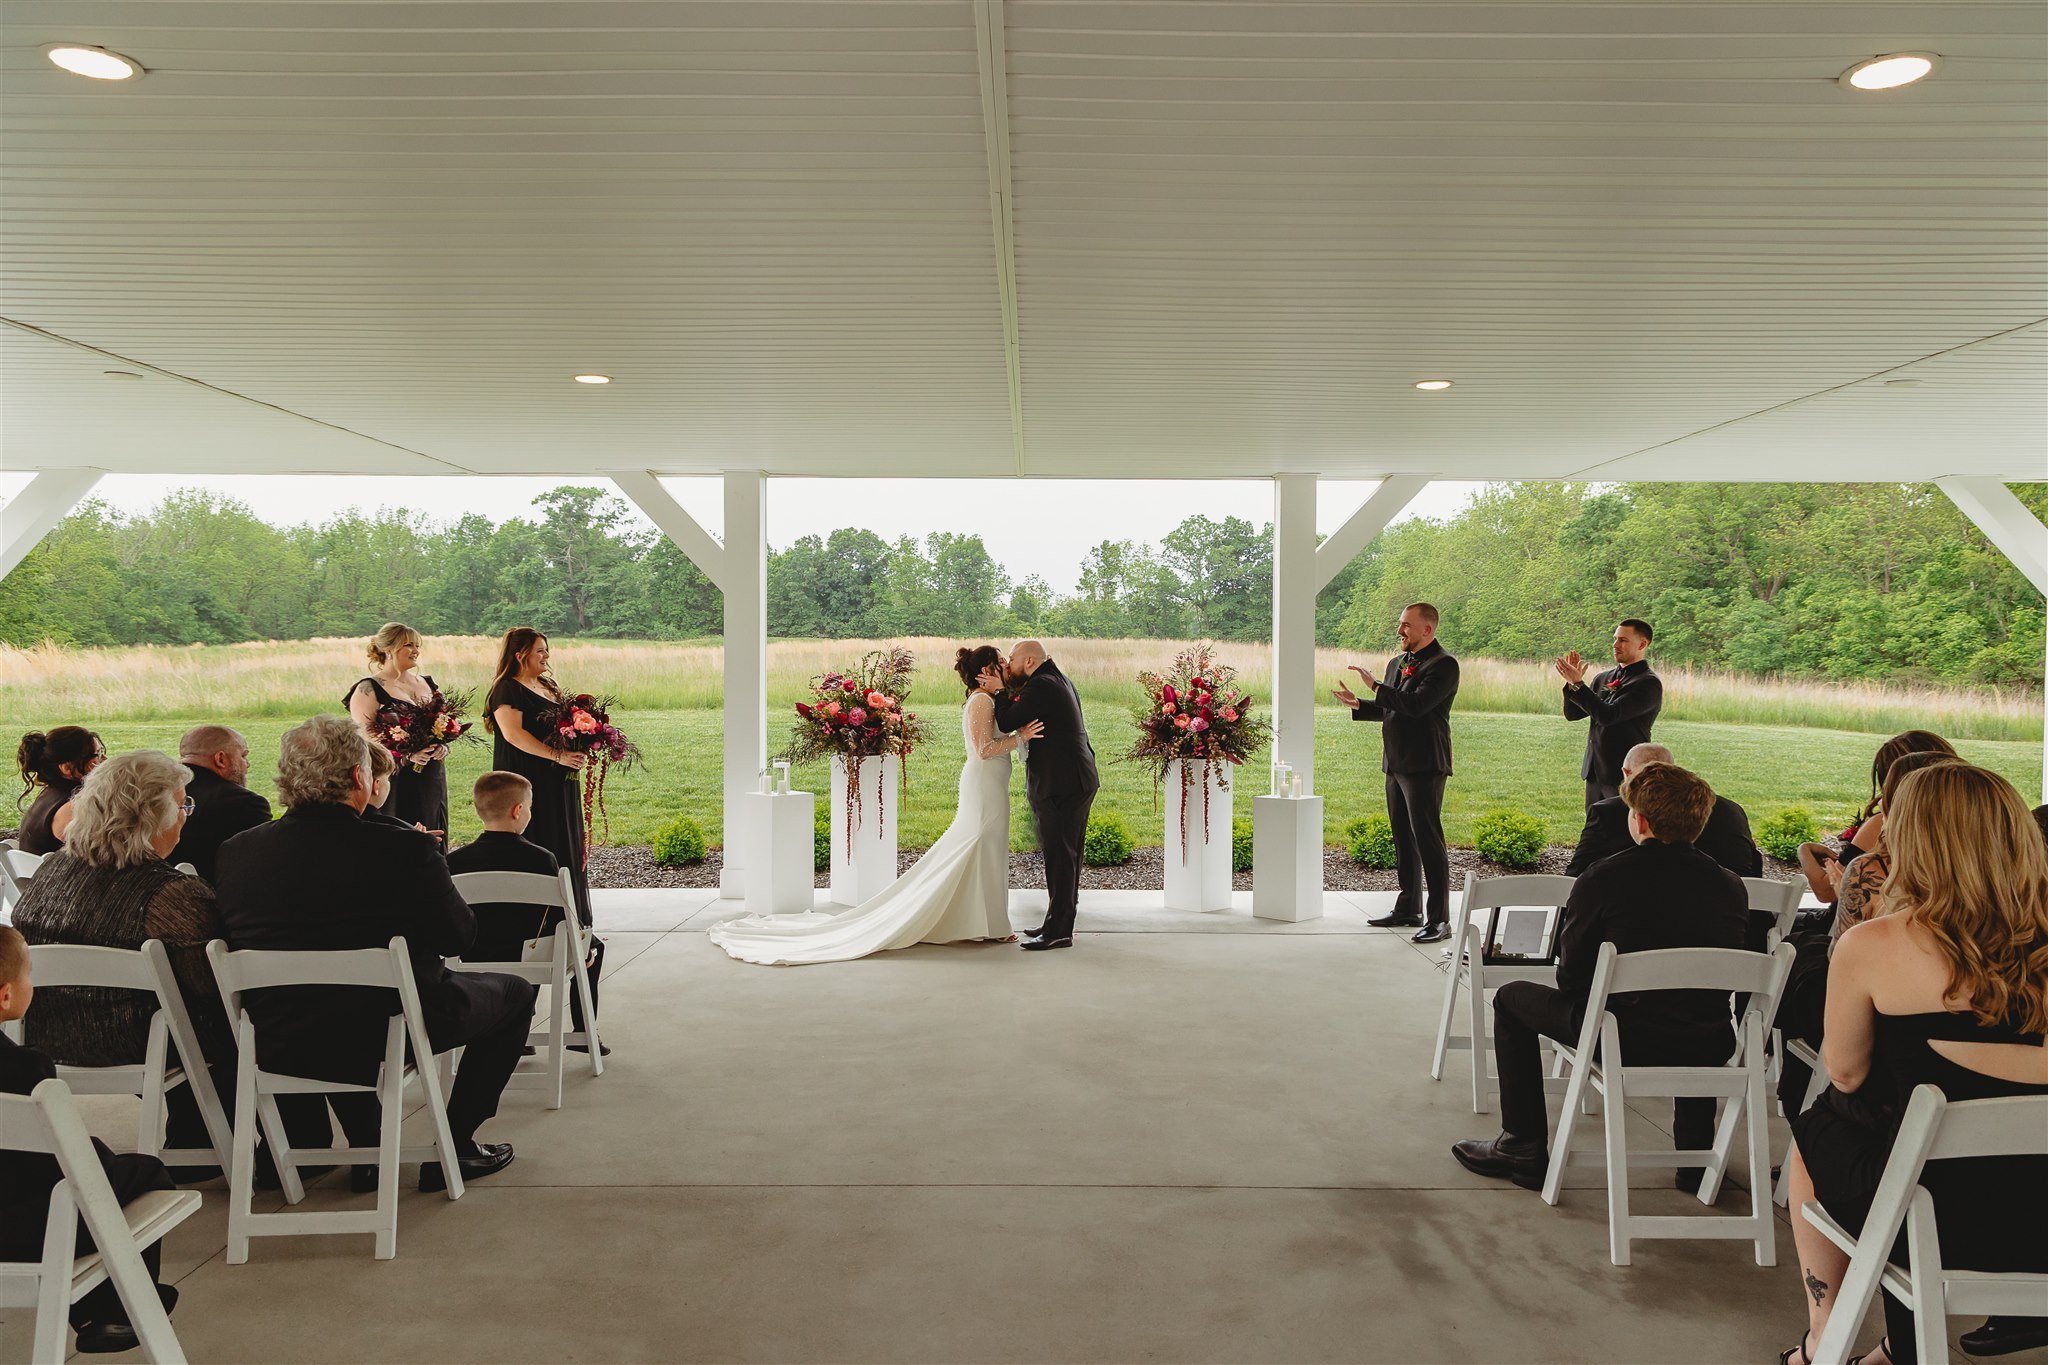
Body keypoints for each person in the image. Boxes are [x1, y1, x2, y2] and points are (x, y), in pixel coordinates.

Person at [1779, 763, 2048, 1365]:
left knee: (1822, 1126)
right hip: (2039, 1222)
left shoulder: (1876, 945)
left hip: (1935, 1219)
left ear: (1914, 843)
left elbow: (1845, 1072)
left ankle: (1824, 1336)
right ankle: (1896, 1346)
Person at [214, 715, 536, 1190]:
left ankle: (361, 1146)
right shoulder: (403, 847)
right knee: (515, 994)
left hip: (279, 1030)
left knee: (341, 1001)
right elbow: (458, 938)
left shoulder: (237, 851)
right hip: (391, 1025)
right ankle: (455, 1144)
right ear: (358, 776)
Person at [1451, 763, 1750, 1193]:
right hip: (1708, 1040)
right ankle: (1695, 1163)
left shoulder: (1604, 877)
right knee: (1690, 1004)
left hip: (1624, 1039)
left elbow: (1572, 980)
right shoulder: (1730, 886)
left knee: (1511, 998)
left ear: (1639, 821)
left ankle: (1521, 1144)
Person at [711, 646, 1042, 965]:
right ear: (986, 670)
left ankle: (984, 921)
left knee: (985, 848)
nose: (1007, 665)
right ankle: (990, 924)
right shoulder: (982, 700)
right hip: (984, 785)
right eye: (1001, 661)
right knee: (982, 845)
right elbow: (984, 750)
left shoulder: (989, 698)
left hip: (990, 784)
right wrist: (1021, 737)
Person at [11, 750, 231, 1170]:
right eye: (182, 805)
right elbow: (212, 988)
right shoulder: (172, 894)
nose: (186, 816)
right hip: (138, 1044)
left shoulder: (49, 872)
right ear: (154, 818)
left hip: (45, 1036)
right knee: (237, 1016)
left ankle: (195, 1133)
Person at [0, 925, 184, 1356]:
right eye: (29, 973)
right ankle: (118, 1311)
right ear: (6, 996)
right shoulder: (25, 1070)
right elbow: (54, 1172)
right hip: (20, 1234)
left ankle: (99, 1311)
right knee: (142, 1173)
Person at [1776, 750, 1965, 1115]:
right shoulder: (2023, 932)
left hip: (1902, 1106)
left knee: (1802, 957)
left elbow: (1846, 1074)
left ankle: (1794, 1093)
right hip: (2014, 1123)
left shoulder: (1874, 887)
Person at [447, 770, 605, 1045]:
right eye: (529, 806)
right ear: (518, 810)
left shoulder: (455, 862)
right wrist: (585, 945)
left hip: (471, 955)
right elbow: (560, 917)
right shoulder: (540, 859)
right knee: (593, 947)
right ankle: (582, 1032)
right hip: (527, 956)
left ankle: (513, 1026)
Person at [1333, 602, 1460, 944]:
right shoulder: (1396, 664)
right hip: (1395, 762)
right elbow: (1393, 708)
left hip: (1425, 764)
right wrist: (1361, 704)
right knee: (1403, 837)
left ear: (1427, 629)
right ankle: (1409, 908)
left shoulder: (1444, 664)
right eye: (1400, 623)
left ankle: (1440, 920)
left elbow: (1417, 706)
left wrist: (1376, 686)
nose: (1400, 630)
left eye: (1406, 625)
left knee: (1428, 840)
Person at [990, 639, 1097, 951]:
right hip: (1073, 780)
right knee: (1066, 856)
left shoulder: (1042, 685)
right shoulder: (1057, 679)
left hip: (1061, 783)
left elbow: (1007, 721)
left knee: (1061, 857)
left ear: (1029, 661)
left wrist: (998, 692)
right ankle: (1056, 923)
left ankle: (1059, 932)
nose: (1008, 665)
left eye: (1011, 659)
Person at [484, 627, 591, 927]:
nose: (546, 655)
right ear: (520, 655)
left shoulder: (547, 685)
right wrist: (557, 755)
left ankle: (571, 920)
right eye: (540, 651)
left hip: (559, 777)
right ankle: (540, 923)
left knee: (563, 835)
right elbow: (513, 734)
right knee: (540, 834)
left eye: (546, 650)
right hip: (528, 775)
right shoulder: (507, 688)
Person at [1796, 730, 1956, 905]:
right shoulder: (1961, 823)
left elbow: (1827, 892)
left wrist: (1804, 851)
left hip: (1868, 916)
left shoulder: (1885, 823)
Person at [1565, 742, 1762, 879]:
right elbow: (1750, 874)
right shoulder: (1731, 811)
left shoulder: (1607, 814)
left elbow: (1575, 878)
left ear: (1640, 821)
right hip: (1731, 917)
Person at [345, 623, 451, 844]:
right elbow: (365, 738)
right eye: (409, 645)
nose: (416, 651)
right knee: (400, 835)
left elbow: (442, 722)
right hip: (393, 776)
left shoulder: (426, 683)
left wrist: (443, 744)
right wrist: (406, 755)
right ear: (389, 649)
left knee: (434, 828)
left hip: (430, 774)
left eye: (417, 646)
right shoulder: (368, 689)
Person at [1555, 618, 1662, 810]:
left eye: (1623, 640)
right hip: (1595, 770)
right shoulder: (1603, 678)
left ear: (1642, 644)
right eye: (1615, 639)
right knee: (1594, 824)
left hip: (1624, 772)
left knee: (1621, 825)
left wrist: (1579, 685)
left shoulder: (1648, 683)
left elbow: (1608, 715)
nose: (1615, 645)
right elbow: (1573, 714)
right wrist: (1572, 684)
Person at [169, 724, 272, 883]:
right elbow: (261, 868)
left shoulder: (154, 792)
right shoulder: (246, 804)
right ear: (221, 759)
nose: (247, 764)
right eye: (243, 756)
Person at [13, 726, 104, 854]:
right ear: (66, 768)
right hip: (52, 867)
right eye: (97, 755)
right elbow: (102, 852)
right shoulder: (72, 807)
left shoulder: (50, 794)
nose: (105, 760)